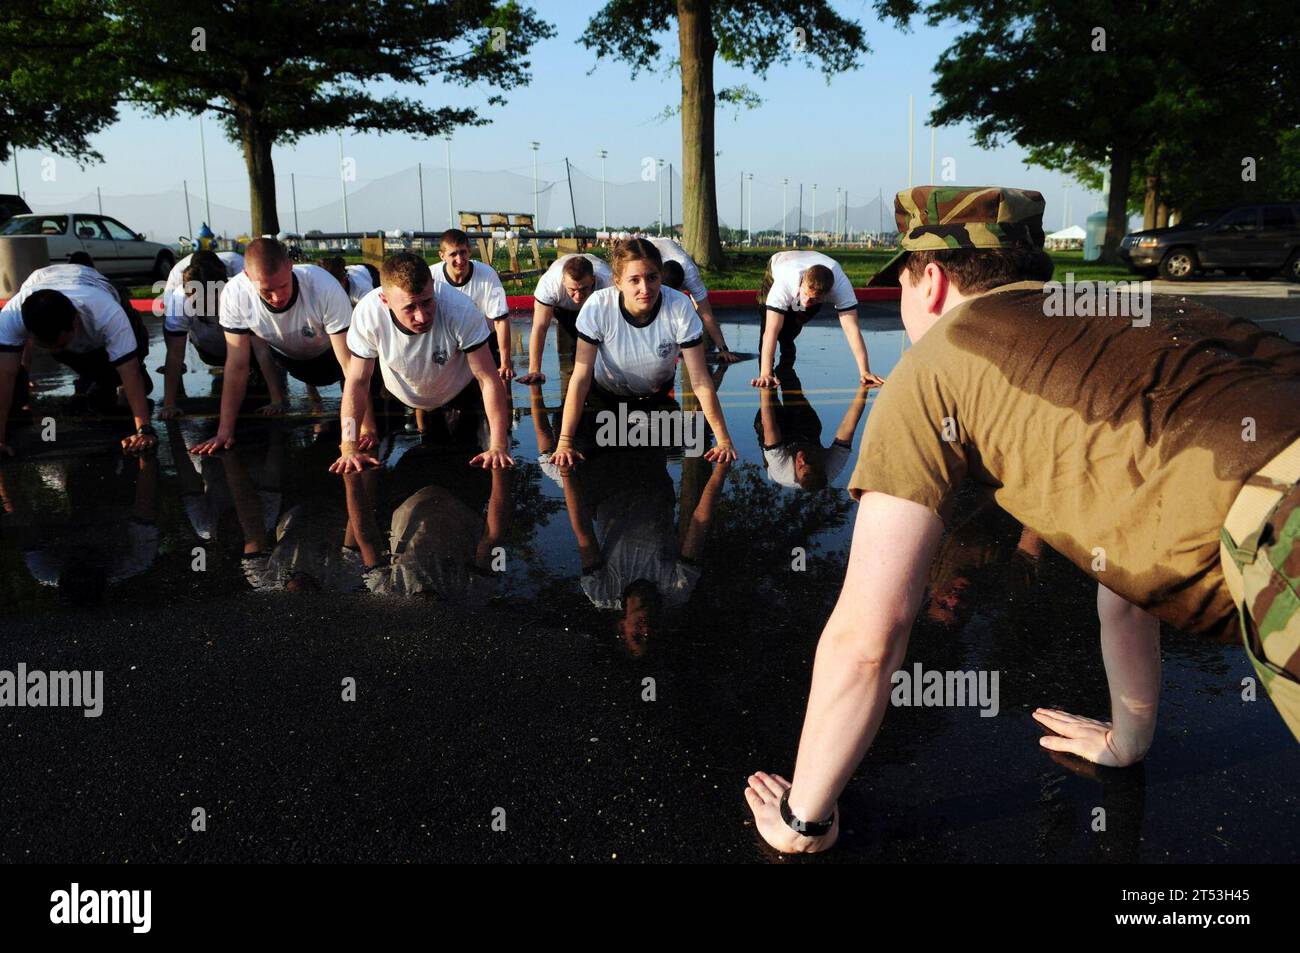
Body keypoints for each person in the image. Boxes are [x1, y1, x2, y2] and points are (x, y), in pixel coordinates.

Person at [744, 185, 1300, 853]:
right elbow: (1126, 573)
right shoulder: (1134, 314)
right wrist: (1126, 739)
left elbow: (869, 633)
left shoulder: (938, 365)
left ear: (934, 281)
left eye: (902, 288)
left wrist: (804, 818)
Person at [546, 238, 737, 468]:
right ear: (617, 282)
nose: (645, 289)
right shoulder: (598, 306)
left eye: (652, 277)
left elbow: (700, 380)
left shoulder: (679, 307)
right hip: (605, 399)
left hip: (656, 399)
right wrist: (564, 442)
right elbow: (580, 377)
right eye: (634, 280)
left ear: (661, 275)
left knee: (656, 469)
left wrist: (724, 440)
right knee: (603, 471)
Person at [329, 252, 514, 473]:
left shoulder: (460, 309)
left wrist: (499, 445)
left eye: (427, 302)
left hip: (459, 389)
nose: (422, 316)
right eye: (409, 308)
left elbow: (488, 379)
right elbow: (357, 382)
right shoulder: (368, 313)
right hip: (401, 389)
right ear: (385, 300)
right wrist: (349, 446)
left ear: (433, 286)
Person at [190, 238, 369, 455]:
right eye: (266, 291)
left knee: (364, 372)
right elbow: (236, 366)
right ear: (247, 277)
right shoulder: (235, 293)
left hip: (330, 357)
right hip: (289, 359)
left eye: (283, 286)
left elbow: (351, 369)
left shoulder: (322, 286)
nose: (276, 297)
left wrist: (360, 432)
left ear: (290, 267)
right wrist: (224, 431)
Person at [0, 263, 155, 456]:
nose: (55, 350)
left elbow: (129, 371)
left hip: (95, 286)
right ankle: (96, 376)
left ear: (75, 321)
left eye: (61, 344)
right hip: (42, 279)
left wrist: (144, 430)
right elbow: (6, 375)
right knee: (14, 387)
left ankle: (110, 377)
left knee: (125, 372)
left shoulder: (107, 312)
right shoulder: (12, 315)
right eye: (49, 347)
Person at [752, 249, 883, 389]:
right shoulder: (785, 282)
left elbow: (852, 329)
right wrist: (765, 373)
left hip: (813, 264)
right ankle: (767, 366)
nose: (807, 301)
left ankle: (787, 344)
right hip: (780, 262)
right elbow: (771, 330)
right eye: (806, 294)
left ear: (828, 294)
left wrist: (865, 371)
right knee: (768, 319)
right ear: (802, 283)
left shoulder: (841, 287)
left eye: (814, 299)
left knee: (792, 324)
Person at [159, 250, 266, 419]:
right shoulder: (179, 295)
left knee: (252, 334)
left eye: (214, 300)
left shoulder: (241, 277)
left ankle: (257, 369)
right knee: (176, 329)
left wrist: (276, 397)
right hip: (208, 347)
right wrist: (169, 403)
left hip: (240, 326)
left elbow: (261, 342)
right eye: (202, 303)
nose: (210, 308)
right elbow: (174, 351)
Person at [625, 234, 739, 363]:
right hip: (648, 246)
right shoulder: (651, 267)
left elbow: (707, 315)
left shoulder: (692, 276)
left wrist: (723, 348)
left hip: (669, 251)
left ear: (681, 288)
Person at [756, 364, 868, 490]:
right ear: (821, 465)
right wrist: (864, 387)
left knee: (769, 397)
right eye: (810, 460)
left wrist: (765, 387)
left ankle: (764, 357)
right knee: (793, 394)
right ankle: (785, 359)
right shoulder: (833, 466)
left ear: (796, 477)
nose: (802, 458)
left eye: (800, 466)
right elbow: (848, 426)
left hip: (780, 446)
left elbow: (769, 425)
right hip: (806, 436)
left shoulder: (781, 469)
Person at [516, 252, 612, 385]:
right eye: (572, 289)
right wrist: (534, 369)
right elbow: (540, 327)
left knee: (598, 349)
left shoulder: (608, 282)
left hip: (598, 306)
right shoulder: (549, 284)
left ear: (593, 280)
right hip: (563, 309)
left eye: (584, 289)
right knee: (576, 346)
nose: (578, 296)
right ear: (563, 281)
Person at [432, 228, 513, 381]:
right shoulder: (432, 277)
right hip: (447, 340)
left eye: (463, 252)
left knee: (498, 381)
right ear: (442, 256)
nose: (460, 259)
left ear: (469, 251)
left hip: (482, 339)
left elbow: (501, 320)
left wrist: (505, 362)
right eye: (453, 254)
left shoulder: (488, 275)